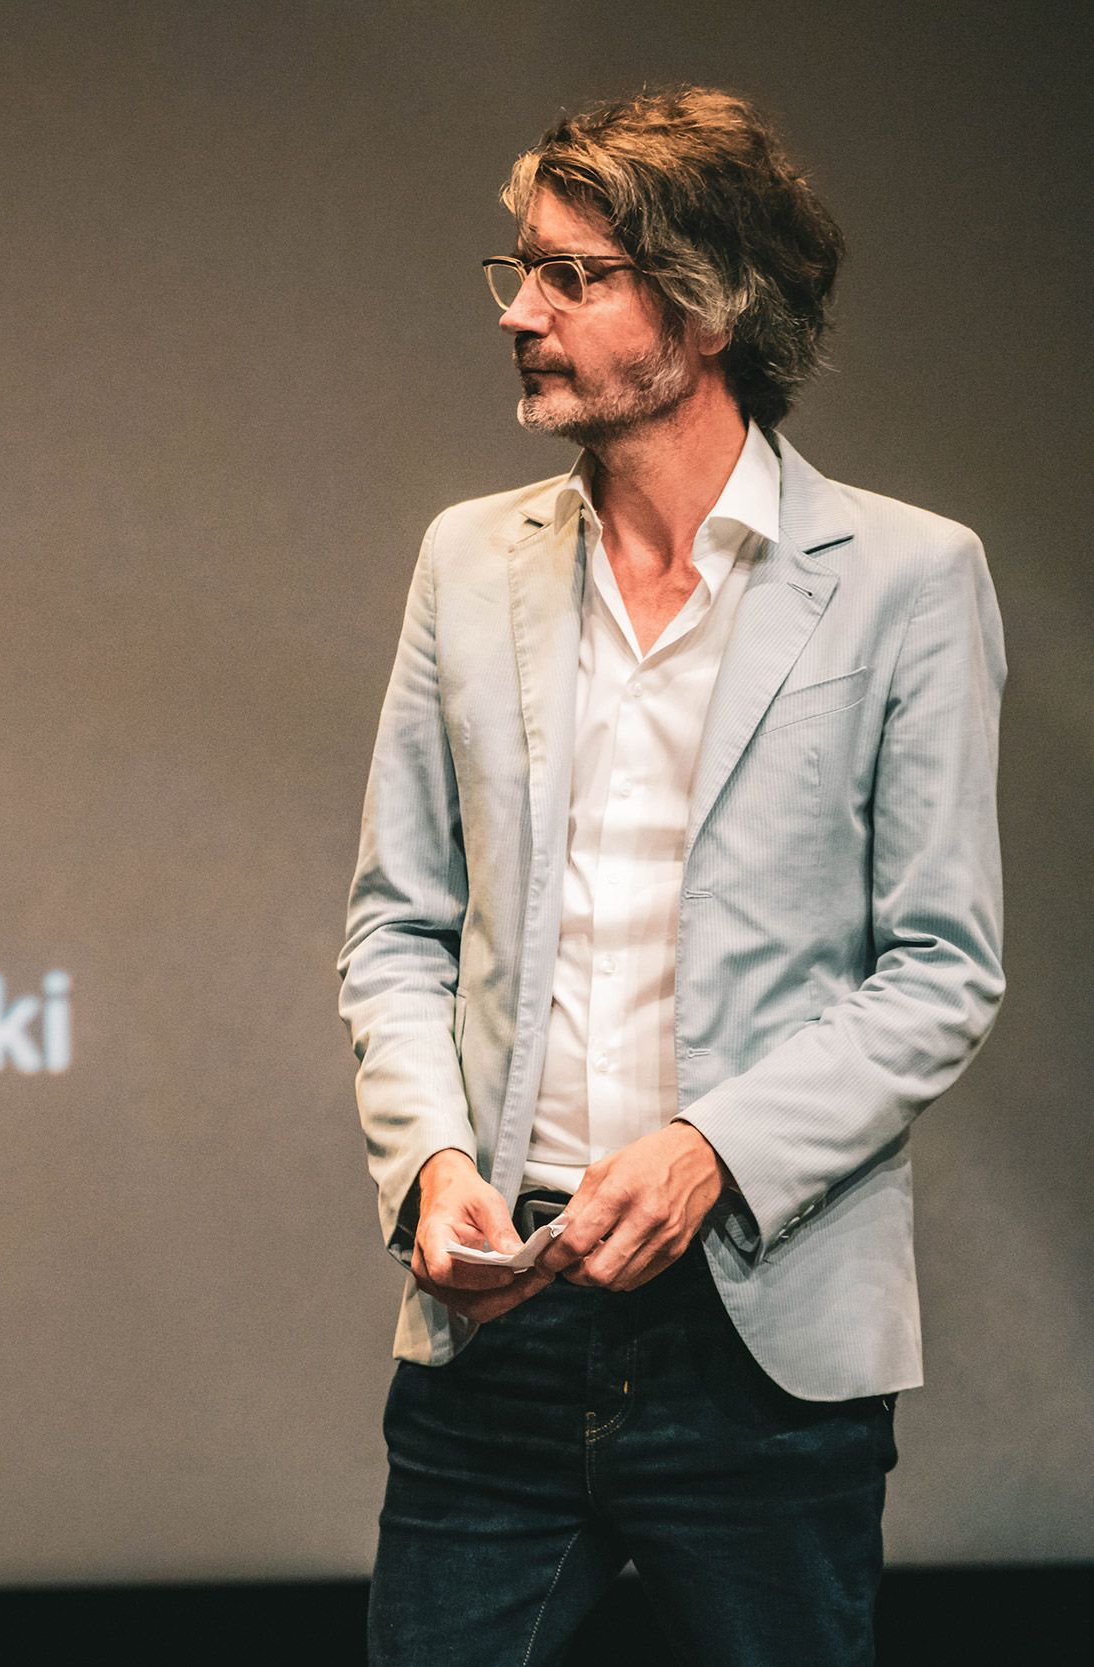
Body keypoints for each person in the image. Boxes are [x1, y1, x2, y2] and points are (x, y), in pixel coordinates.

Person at [338, 89, 1003, 1665]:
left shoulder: (908, 580)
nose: (521, 312)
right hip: (503, 1323)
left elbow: (942, 968)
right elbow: (397, 927)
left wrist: (716, 1149)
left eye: (575, 278)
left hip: (762, 1339)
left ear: (708, 309)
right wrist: (428, 1169)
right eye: (521, 270)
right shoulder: (467, 561)